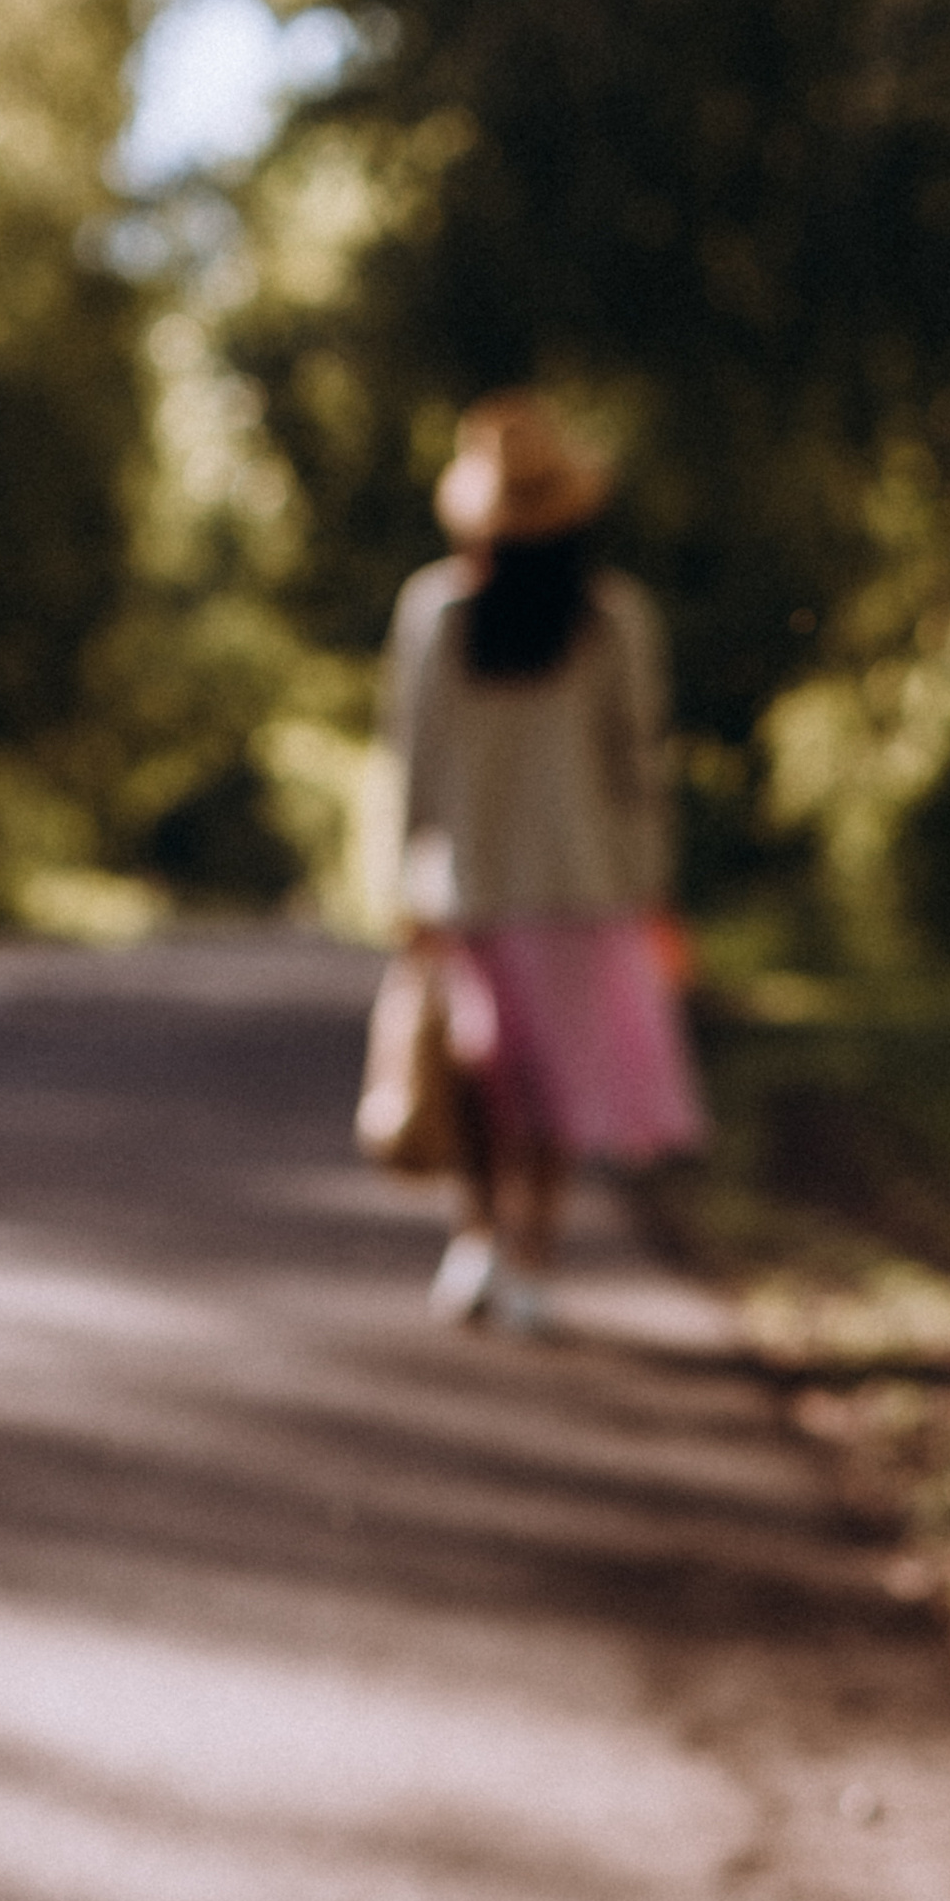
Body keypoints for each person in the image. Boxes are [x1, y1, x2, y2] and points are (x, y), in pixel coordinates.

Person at [379, 391, 707, 1334]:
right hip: (580, 887)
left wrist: (408, 881)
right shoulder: (605, 617)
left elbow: (413, 760)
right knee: (552, 1086)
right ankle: (524, 1256)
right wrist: (652, 885)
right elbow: (638, 766)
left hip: (478, 885)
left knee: (484, 1079)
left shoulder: (443, 612)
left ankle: (483, 1239)